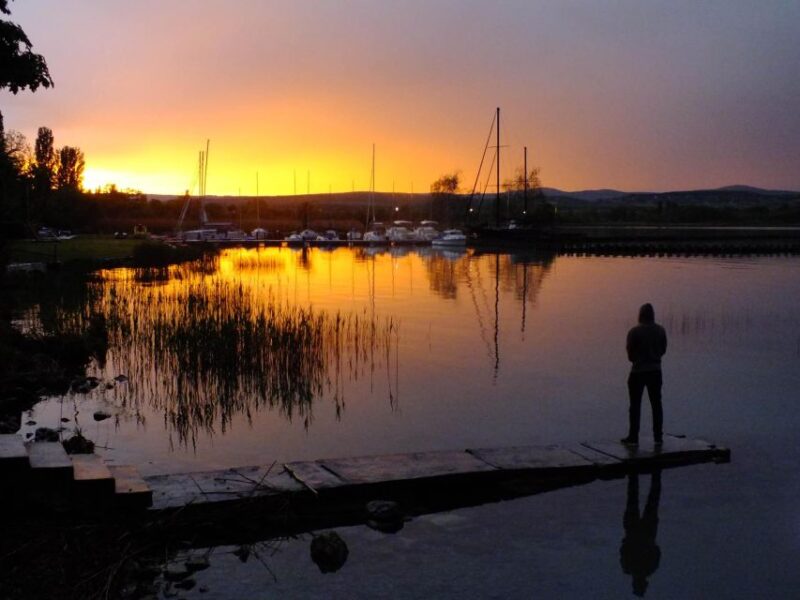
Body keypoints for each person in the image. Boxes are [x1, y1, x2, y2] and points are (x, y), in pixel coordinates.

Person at [621, 303, 667, 446]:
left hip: (638, 372)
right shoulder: (660, 330)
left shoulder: (634, 332)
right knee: (656, 405)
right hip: (655, 371)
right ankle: (658, 437)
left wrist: (639, 358)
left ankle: (633, 436)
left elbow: (630, 356)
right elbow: (663, 350)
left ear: (640, 315)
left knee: (635, 405)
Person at [619, 470, 662, 597]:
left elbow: (657, 551)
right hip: (638, 532)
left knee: (649, 498)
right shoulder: (629, 568)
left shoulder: (648, 568)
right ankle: (639, 473)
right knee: (636, 498)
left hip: (642, 532)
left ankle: (652, 473)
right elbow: (623, 550)